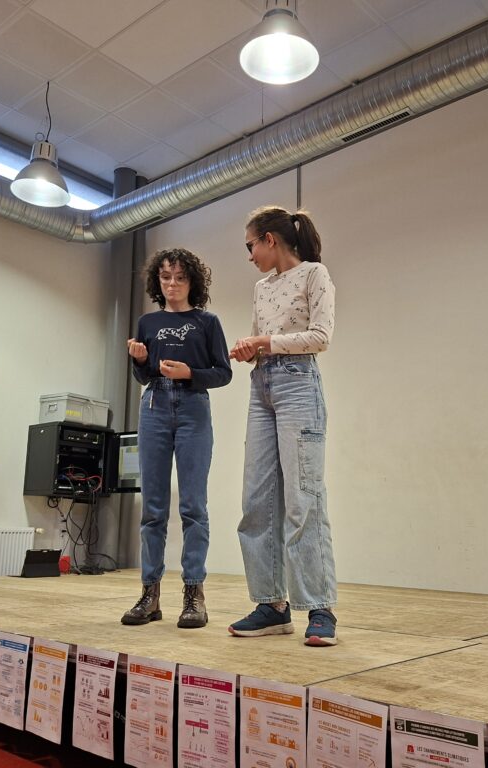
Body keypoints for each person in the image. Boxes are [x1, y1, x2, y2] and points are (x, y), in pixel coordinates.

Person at [228, 205, 339, 647]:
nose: (250, 255)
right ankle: (272, 605)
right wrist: (250, 350)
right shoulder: (261, 288)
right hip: (262, 387)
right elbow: (263, 342)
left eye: (251, 245)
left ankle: (319, 606)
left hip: (298, 386)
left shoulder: (315, 274)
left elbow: (321, 337)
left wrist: (265, 342)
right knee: (256, 499)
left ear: (270, 240)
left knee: (302, 498)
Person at [121, 248, 231, 629]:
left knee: (193, 507)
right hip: (153, 405)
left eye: (180, 277)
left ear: (192, 282)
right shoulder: (147, 322)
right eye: (166, 277)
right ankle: (149, 595)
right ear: (158, 281)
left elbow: (223, 372)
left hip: (192, 408)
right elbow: (143, 376)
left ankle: (194, 594)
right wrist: (139, 359)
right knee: (153, 508)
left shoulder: (207, 322)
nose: (172, 284)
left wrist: (190, 374)